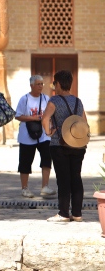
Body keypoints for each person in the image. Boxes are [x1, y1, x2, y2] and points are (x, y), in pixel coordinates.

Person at [42, 70, 89, 222]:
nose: (54, 86)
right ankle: (77, 214)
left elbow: (45, 119)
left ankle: (63, 213)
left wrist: (49, 133)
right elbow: (84, 122)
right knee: (76, 177)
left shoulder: (54, 101)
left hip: (59, 144)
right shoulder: (78, 101)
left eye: (54, 83)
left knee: (63, 178)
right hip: (78, 144)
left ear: (59, 84)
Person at [15, 75, 56, 198]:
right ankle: (25, 188)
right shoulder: (24, 99)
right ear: (31, 85)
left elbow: (50, 114)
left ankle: (45, 186)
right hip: (27, 135)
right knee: (25, 162)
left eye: (42, 84)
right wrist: (32, 118)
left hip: (44, 135)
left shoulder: (45, 98)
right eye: (38, 84)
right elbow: (18, 116)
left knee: (46, 159)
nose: (41, 86)